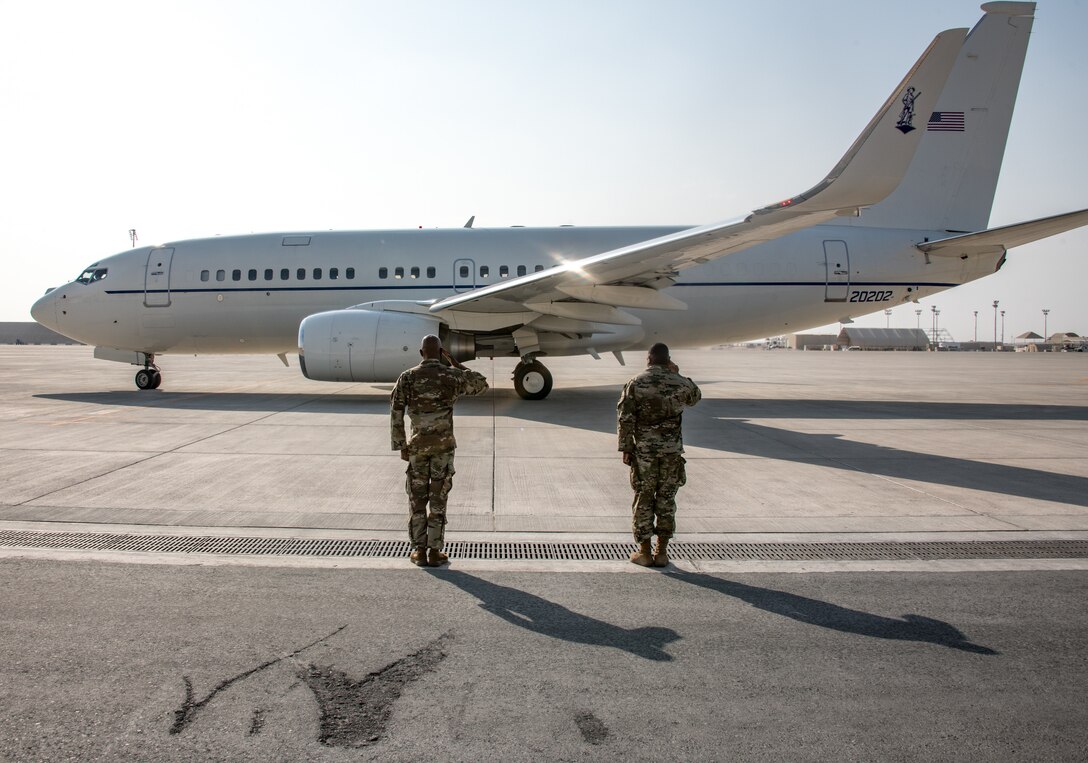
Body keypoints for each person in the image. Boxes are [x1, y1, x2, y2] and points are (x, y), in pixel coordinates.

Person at [391, 335, 488, 567]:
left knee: (417, 499)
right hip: (443, 448)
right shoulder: (451, 376)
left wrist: (401, 445)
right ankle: (435, 551)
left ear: (421, 352)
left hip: (418, 447)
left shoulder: (408, 377)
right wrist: (456, 363)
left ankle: (418, 551)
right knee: (438, 498)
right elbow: (481, 385)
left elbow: (396, 411)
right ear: (441, 352)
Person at [617, 343, 702, 567]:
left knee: (643, 498)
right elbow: (695, 396)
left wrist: (626, 448)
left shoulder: (636, 382)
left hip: (644, 452)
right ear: (668, 360)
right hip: (671, 452)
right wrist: (678, 373)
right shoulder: (679, 382)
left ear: (648, 359)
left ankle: (644, 552)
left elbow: (625, 417)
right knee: (666, 499)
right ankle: (662, 552)